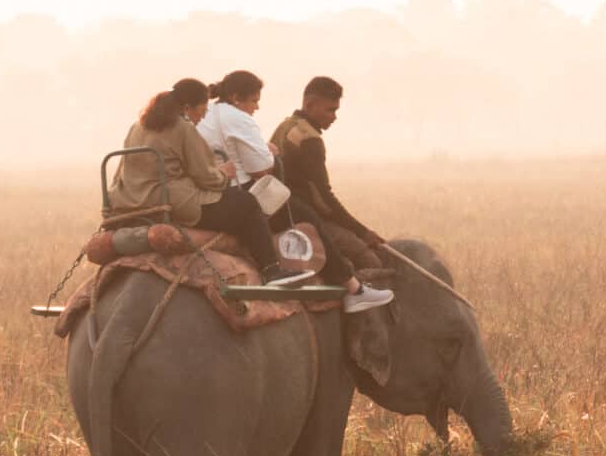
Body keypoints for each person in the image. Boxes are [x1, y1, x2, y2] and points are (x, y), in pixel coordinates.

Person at [108, 85, 312, 286]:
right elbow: (205, 177)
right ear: (187, 108)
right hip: (174, 201)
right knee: (247, 202)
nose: (203, 117)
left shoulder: (137, 126)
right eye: (202, 111)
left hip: (132, 200)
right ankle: (271, 269)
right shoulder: (183, 128)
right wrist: (224, 173)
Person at [273, 76, 394, 312]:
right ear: (310, 105)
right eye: (330, 110)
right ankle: (359, 313)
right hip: (305, 216)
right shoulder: (310, 140)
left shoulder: (286, 125)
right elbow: (324, 199)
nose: (334, 117)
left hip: (280, 207)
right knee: (370, 260)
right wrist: (362, 231)